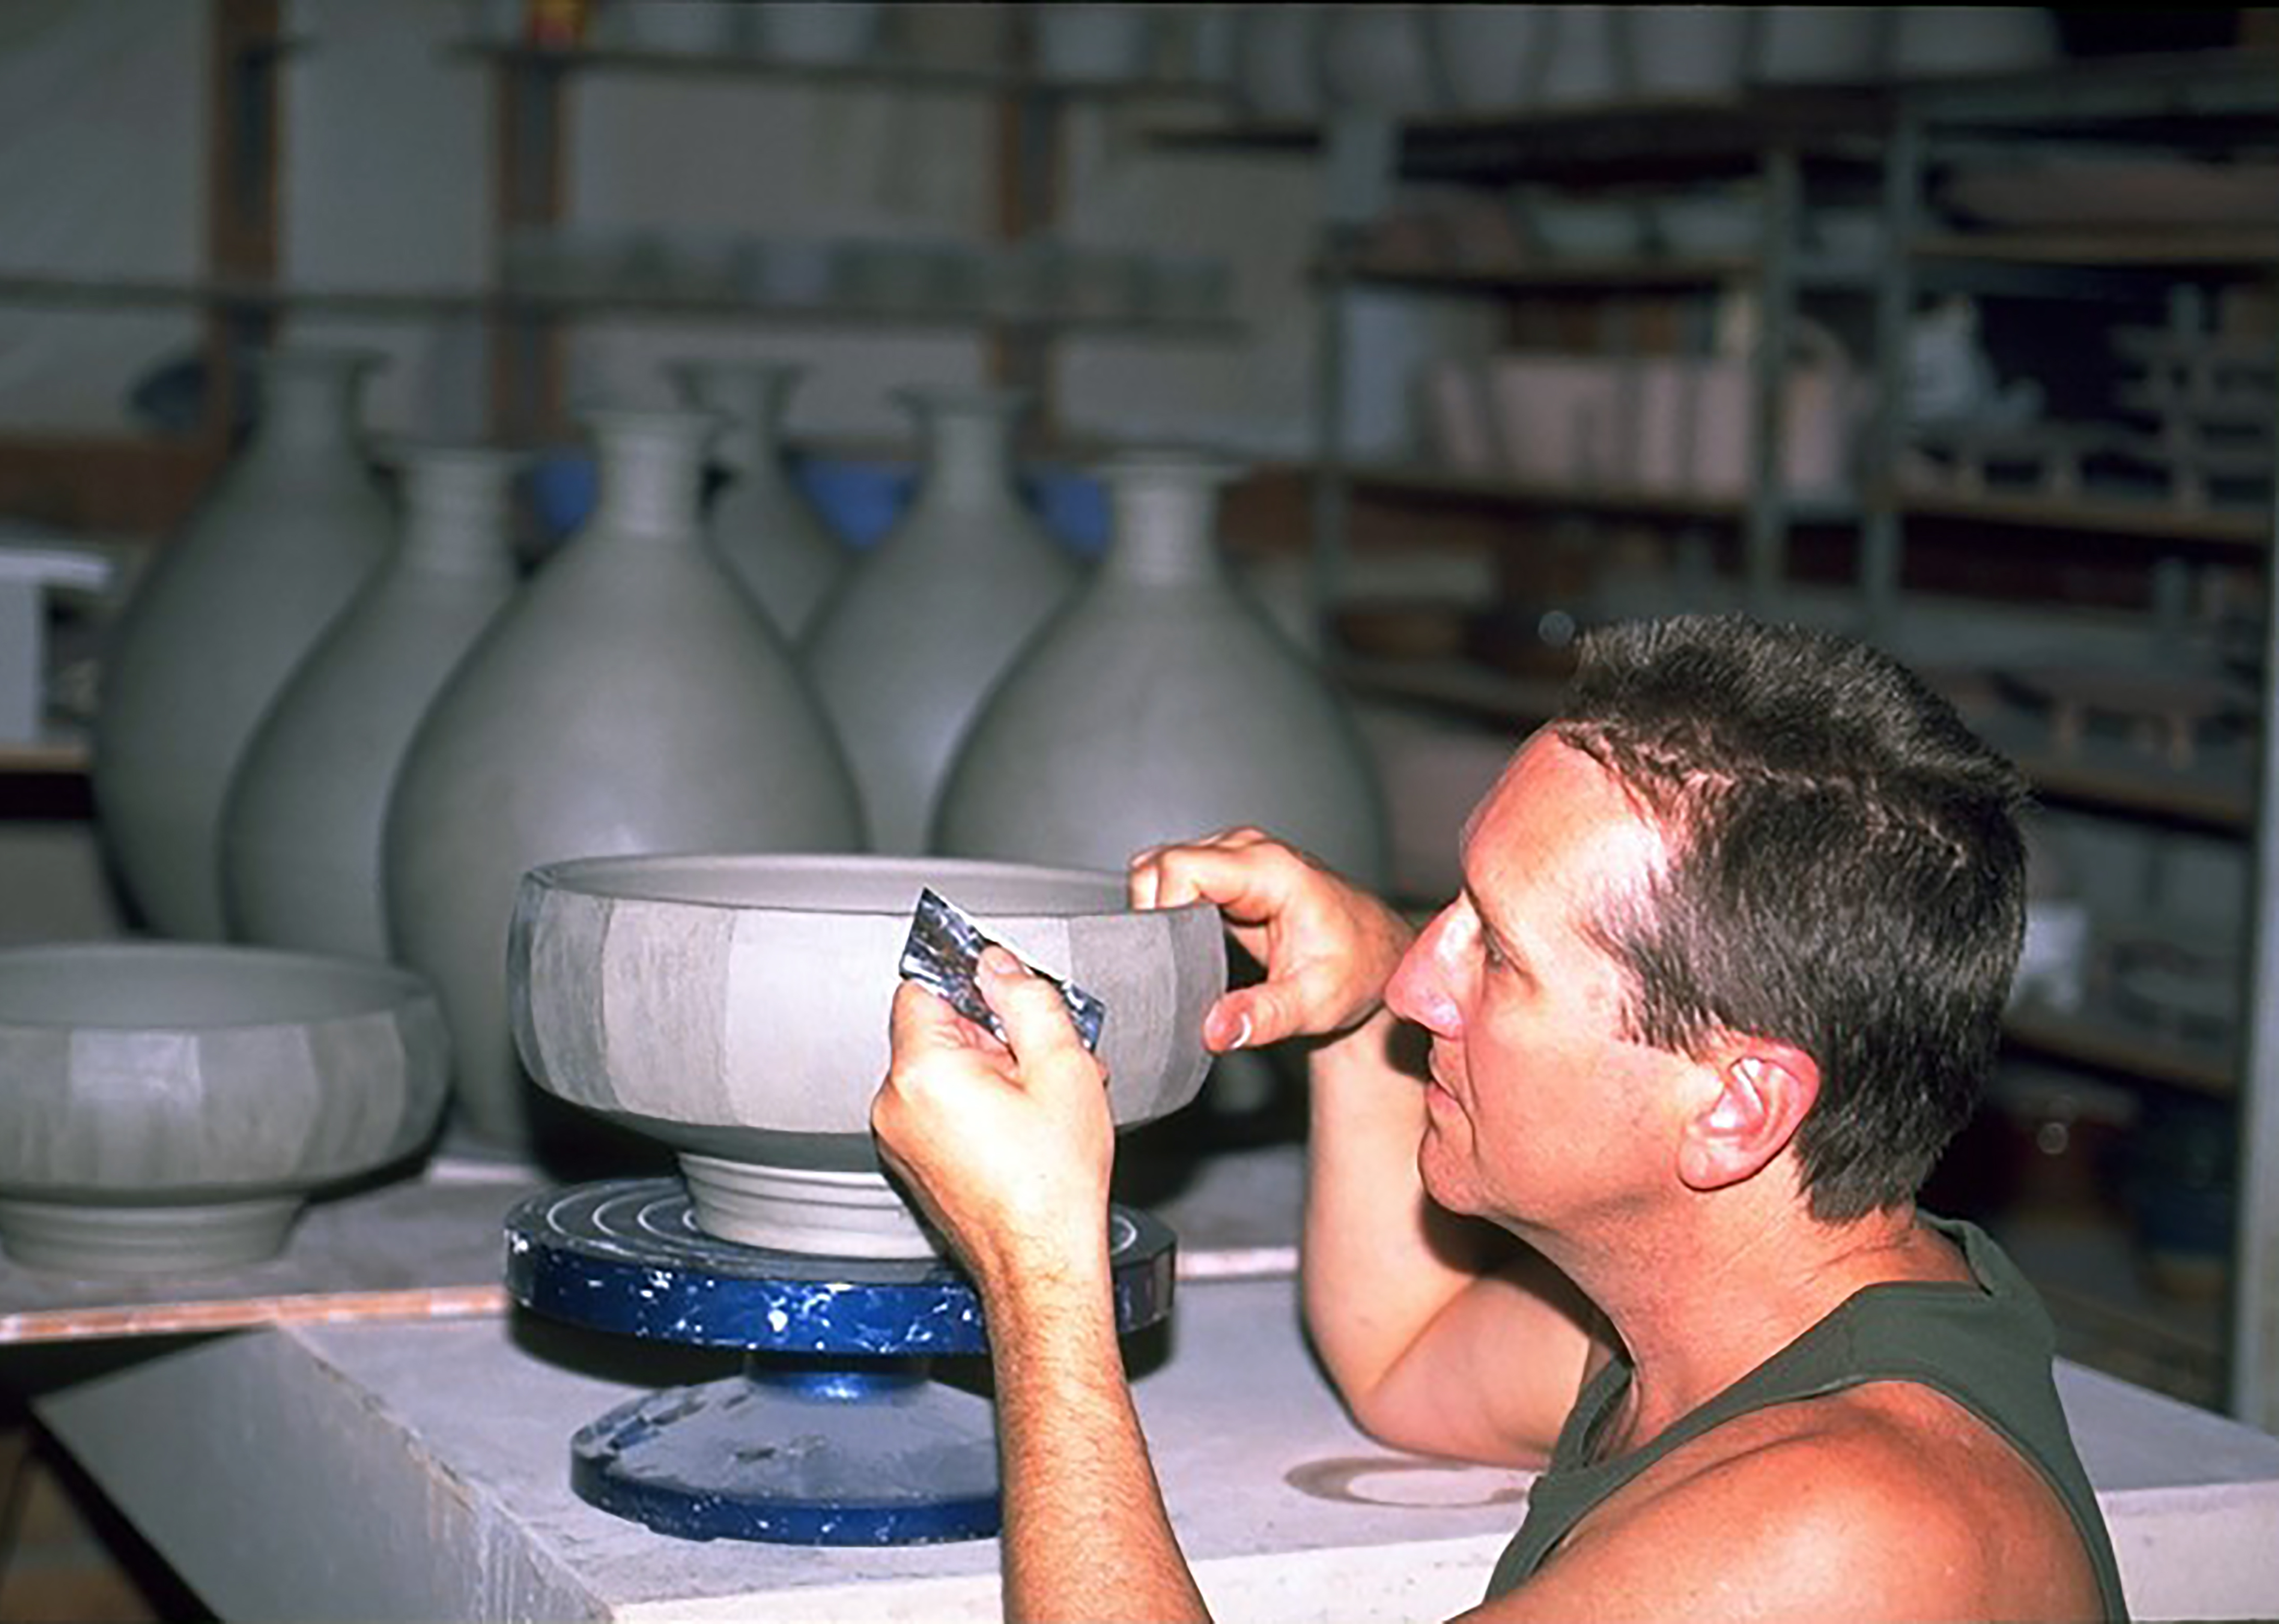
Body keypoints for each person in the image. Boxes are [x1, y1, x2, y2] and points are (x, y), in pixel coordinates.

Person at [872, 612, 2129, 1623]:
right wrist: (1360, 1009)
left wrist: (1041, 1273)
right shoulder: (1731, 1322)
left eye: (1499, 959)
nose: (1426, 980)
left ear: (1737, 1108)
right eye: (1448, 910)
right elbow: (1407, 1357)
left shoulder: (1847, 1531)